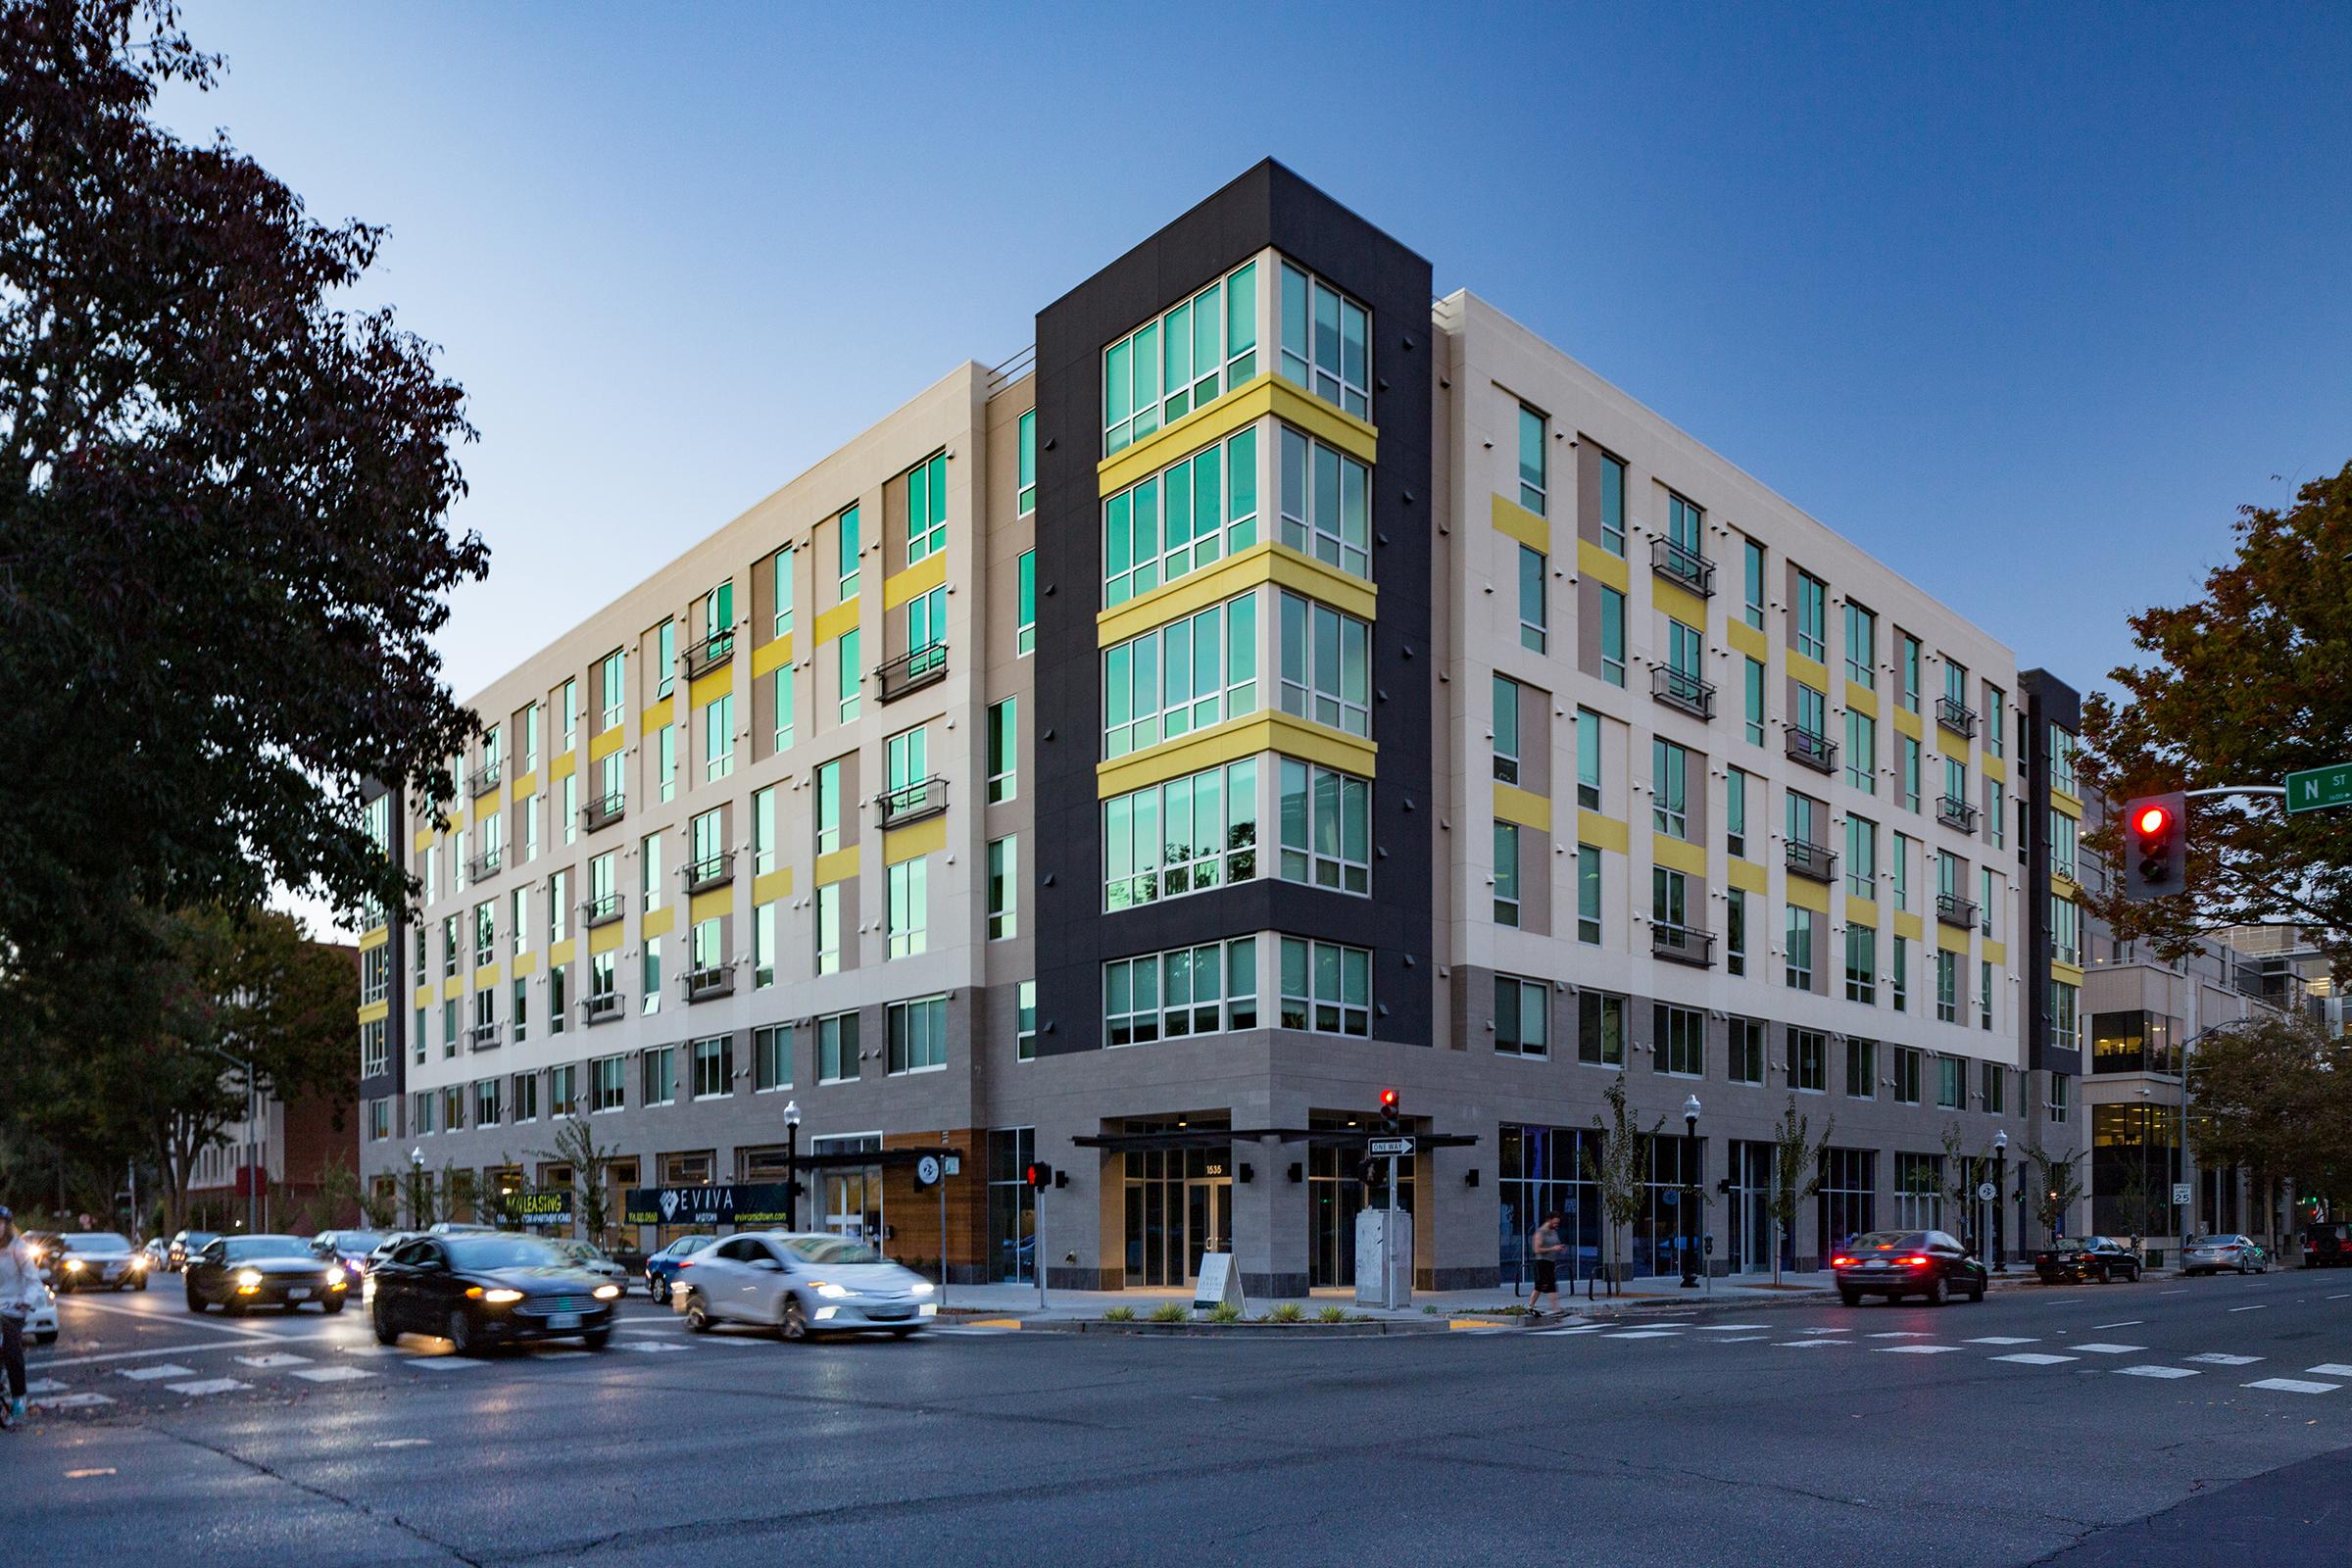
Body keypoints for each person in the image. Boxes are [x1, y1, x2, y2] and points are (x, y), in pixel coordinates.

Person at [0, 1206, 38, 1424]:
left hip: (13, 1308)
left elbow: (33, 1281)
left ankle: (19, 1397)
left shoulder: (18, 1248)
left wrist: (27, 1301)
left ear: (7, 1225)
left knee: (12, 1350)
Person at [1527, 1212, 1565, 1321]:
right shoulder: (1540, 1232)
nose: (1556, 1225)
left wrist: (1559, 1248)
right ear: (1549, 1220)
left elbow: (1555, 1244)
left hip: (1551, 1262)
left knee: (1541, 1286)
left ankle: (1530, 1306)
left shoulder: (1553, 1231)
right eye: (1555, 1222)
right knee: (1548, 1286)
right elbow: (1537, 1250)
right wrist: (1553, 1249)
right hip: (1542, 1262)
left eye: (1558, 1223)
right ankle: (1556, 1309)